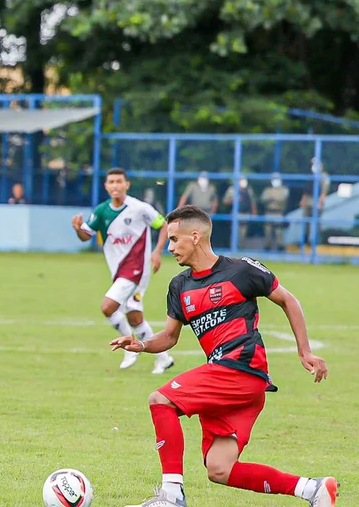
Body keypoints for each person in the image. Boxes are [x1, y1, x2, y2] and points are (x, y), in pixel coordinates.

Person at [112, 205, 336, 507]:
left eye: (174, 239)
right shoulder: (180, 285)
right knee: (220, 469)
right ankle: (314, 489)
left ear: (195, 236)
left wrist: (304, 350)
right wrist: (141, 345)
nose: (170, 248)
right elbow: (169, 337)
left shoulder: (241, 270)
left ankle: (171, 495)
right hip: (230, 382)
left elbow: (288, 300)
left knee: (160, 400)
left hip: (241, 370)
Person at [71, 168, 175, 374]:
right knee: (135, 317)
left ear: (127, 185)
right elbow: (86, 236)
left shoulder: (139, 208)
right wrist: (77, 229)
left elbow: (163, 225)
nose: (116, 185)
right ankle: (164, 358)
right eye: (111, 182)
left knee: (107, 307)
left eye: (120, 181)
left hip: (137, 269)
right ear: (106, 186)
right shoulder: (101, 211)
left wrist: (156, 251)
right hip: (119, 271)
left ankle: (130, 347)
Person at [221, 176, 257, 243]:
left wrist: (254, 213)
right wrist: (234, 200)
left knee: (243, 233)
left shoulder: (248, 190)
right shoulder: (232, 189)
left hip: (245, 214)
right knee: (234, 233)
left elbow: (252, 202)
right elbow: (225, 201)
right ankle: (233, 249)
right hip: (235, 213)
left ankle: (241, 248)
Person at [260, 173, 289, 251]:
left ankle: (280, 246)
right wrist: (271, 197)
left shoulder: (284, 189)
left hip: (278, 212)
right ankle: (267, 246)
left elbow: (282, 199)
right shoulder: (268, 190)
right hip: (269, 212)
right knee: (267, 230)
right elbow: (263, 199)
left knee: (278, 231)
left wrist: (274, 198)